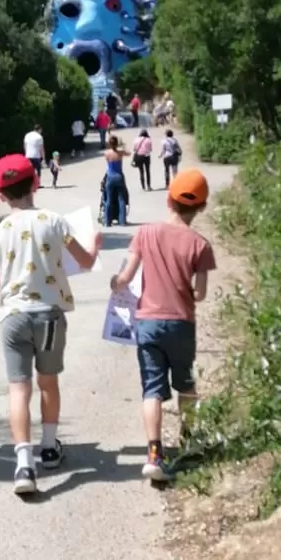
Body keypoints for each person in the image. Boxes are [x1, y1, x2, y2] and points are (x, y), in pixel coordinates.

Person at [0, 155, 100, 497]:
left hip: (13, 317)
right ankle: (49, 447)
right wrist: (95, 246)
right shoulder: (56, 221)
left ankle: (24, 463)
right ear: (35, 183)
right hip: (49, 315)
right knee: (47, 383)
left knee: (18, 389)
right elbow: (85, 260)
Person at [111, 168, 215, 486]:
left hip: (148, 324)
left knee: (152, 389)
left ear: (169, 199)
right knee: (186, 385)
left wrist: (115, 282)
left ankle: (154, 454)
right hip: (181, 323)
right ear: (201, 207)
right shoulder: (200, 245)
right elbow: (199, 294)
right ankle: (189, 442)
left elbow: (125, 278)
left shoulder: (145, 233)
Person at [103, 132, 129, 227]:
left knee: (108, 200)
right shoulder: (120, 153)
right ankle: (122, 221)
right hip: (119, 176)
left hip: (110, 177)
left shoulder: (106, 154)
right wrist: (122, 146)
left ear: (109, 143)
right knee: (121, 199)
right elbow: (129, 153)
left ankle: (107, 221)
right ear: (117, 143)